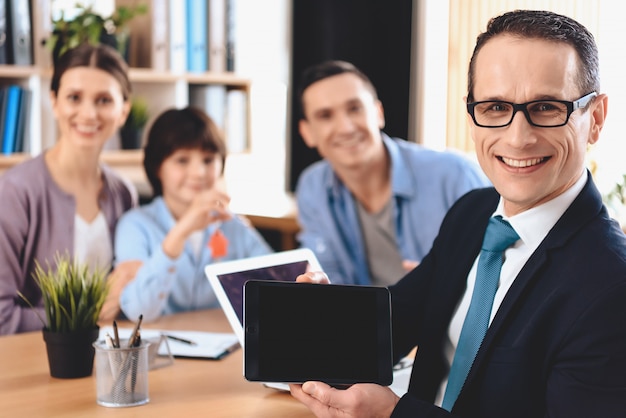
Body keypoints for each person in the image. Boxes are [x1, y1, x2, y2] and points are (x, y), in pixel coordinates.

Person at [290, 9, 626, 418]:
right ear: (472, 115)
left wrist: (391, 415)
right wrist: (325, 324)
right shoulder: (474, 212)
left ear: (596, 119)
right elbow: (392, 323)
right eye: (495, 107)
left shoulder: (612, 287)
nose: (518, 138)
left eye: (547, 107)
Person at [295, 60, 490, 286]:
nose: (346, 128)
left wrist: (448, 283)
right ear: (307, 132)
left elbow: (500, 266)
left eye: (355, 108)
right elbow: (329, 274)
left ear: (378, 113)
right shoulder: (312, 187)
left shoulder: (454, 174)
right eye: (325, 116)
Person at [0, 43, 138, 335]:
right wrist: (86, 316)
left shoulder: (124, 194)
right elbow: (2, 316)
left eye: (103, 100)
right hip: (38, 363)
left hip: (107, 360)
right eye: (74, 97)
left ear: (123, 110)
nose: (88, 113)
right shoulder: (14, 192)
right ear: (54, 102)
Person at [114, 106, 272, 322]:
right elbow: (139, 311)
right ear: (157, 167)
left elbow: (274, 282)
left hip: (224, 348)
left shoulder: (232, 224)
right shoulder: (135, 225)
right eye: (182, 160)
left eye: (208, 160)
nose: (199, 173)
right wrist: (180, 232)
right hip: (162, 349)